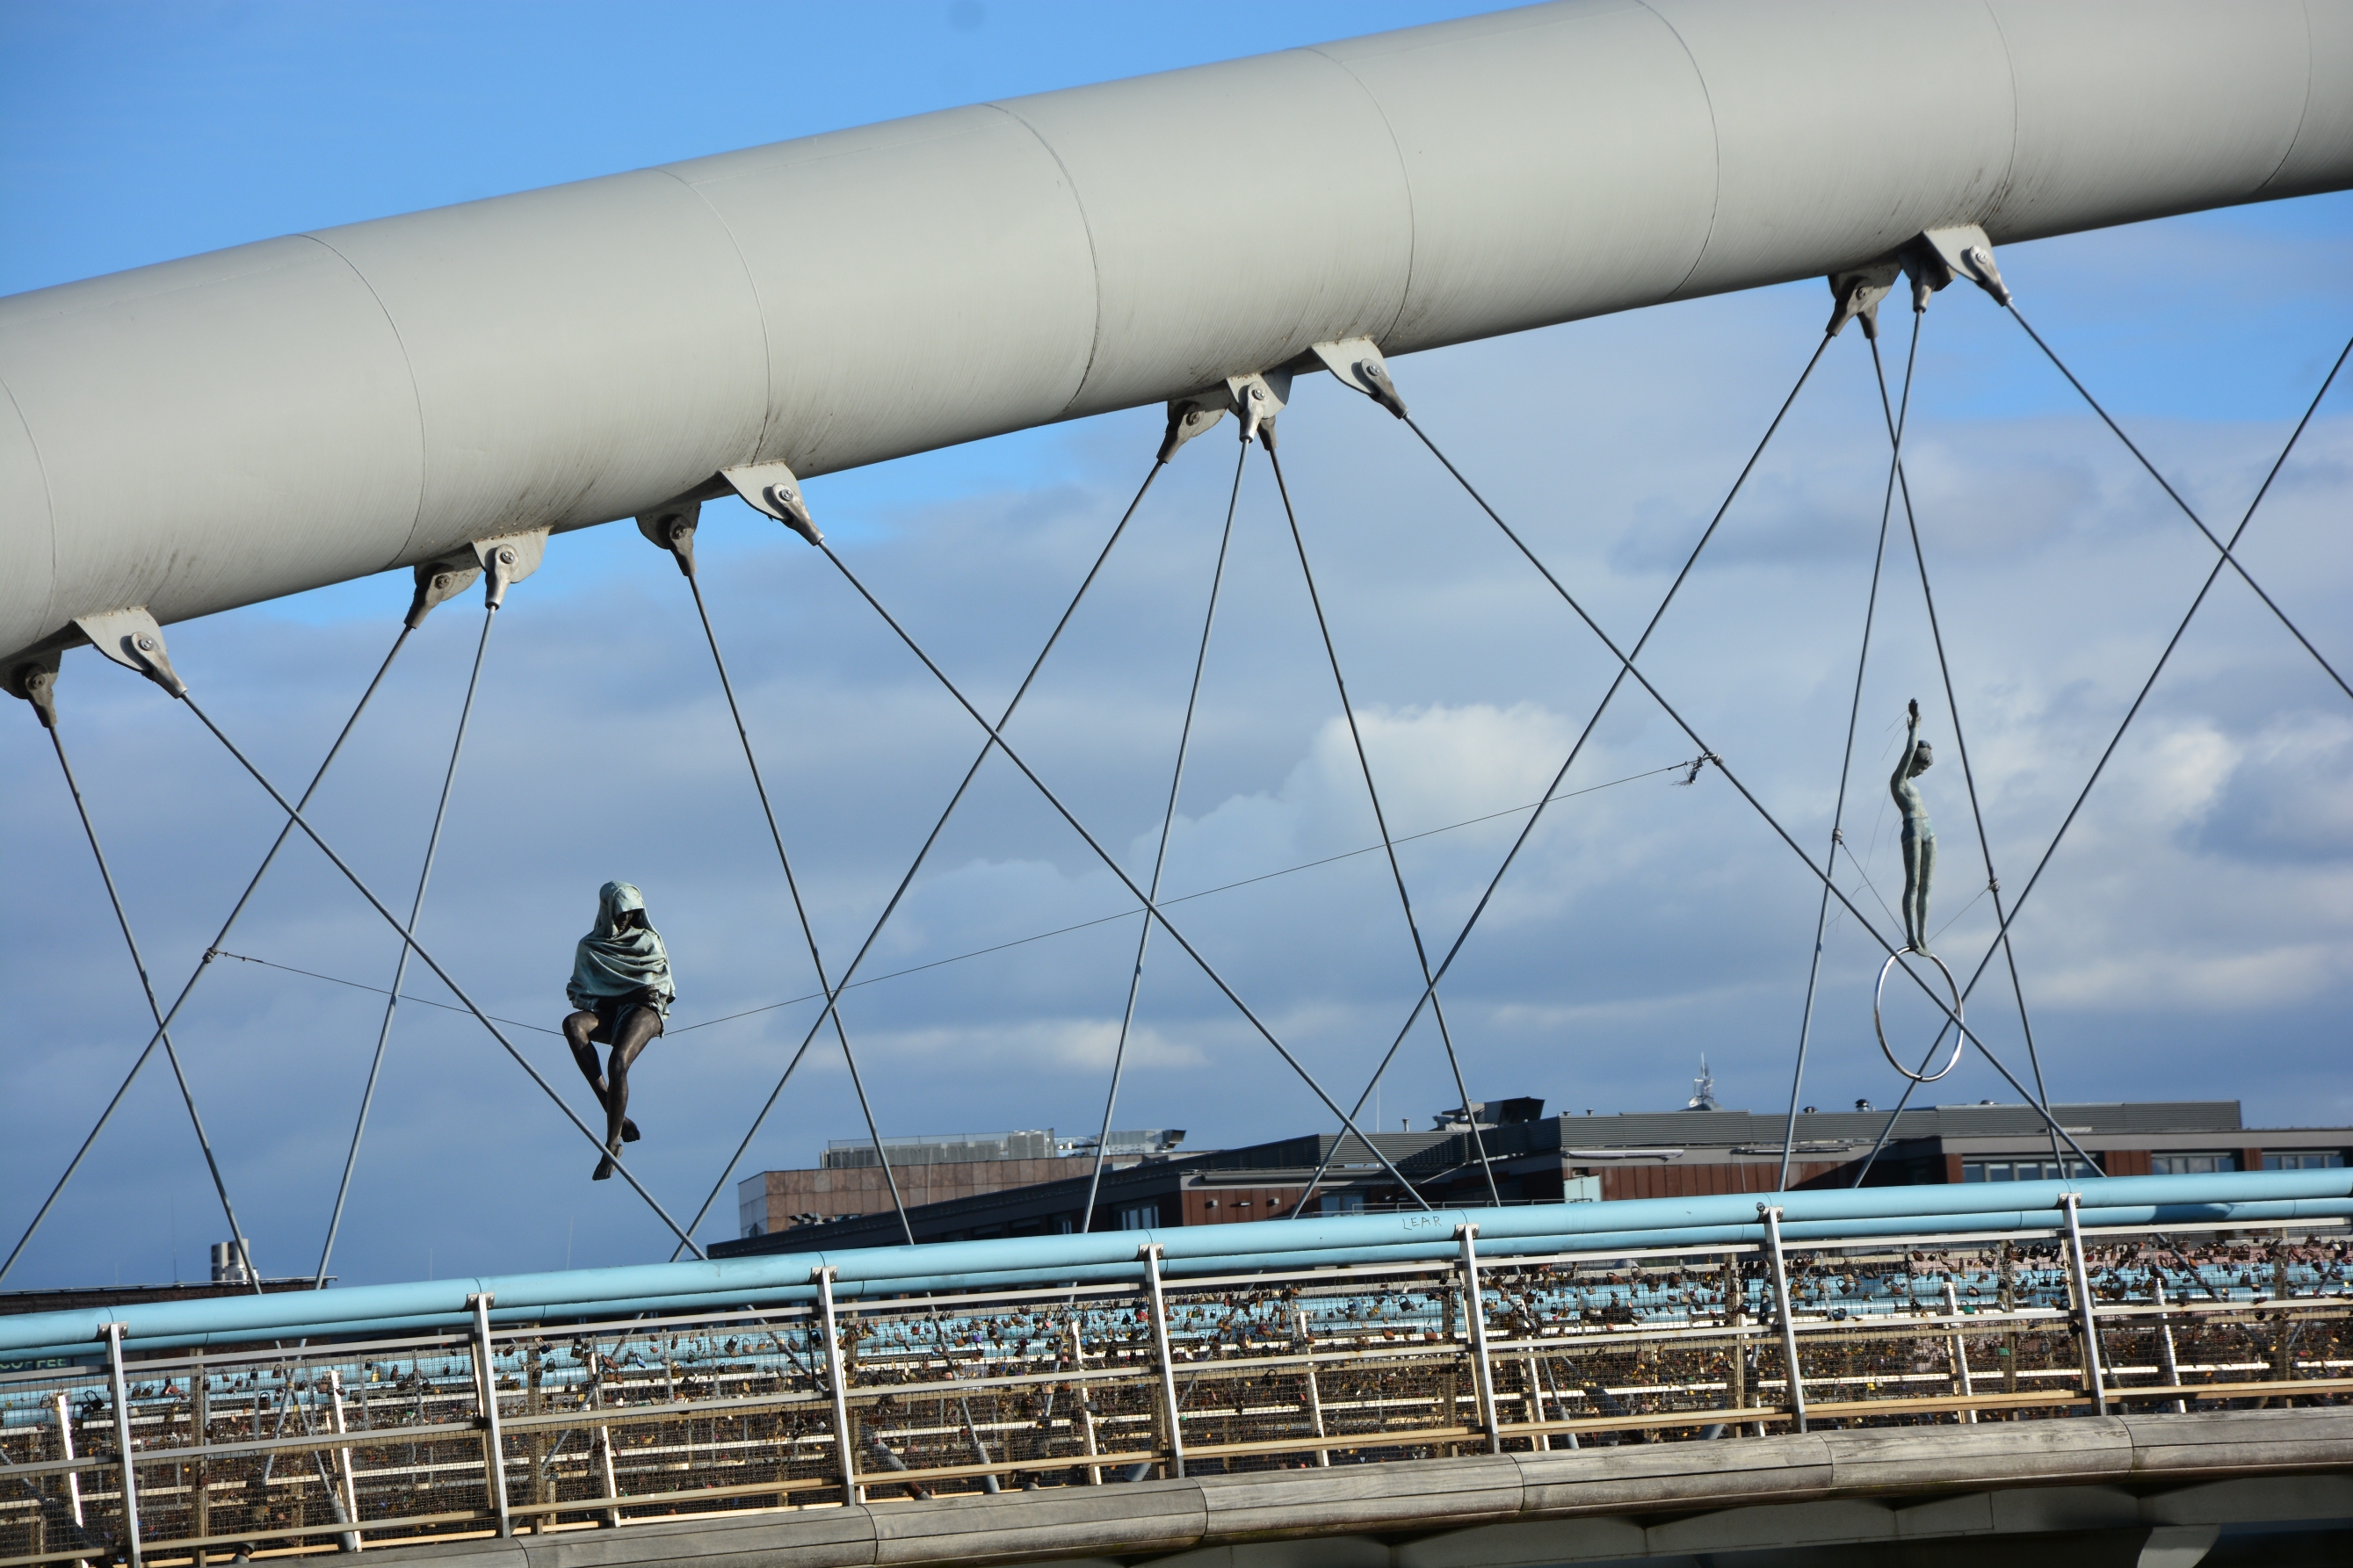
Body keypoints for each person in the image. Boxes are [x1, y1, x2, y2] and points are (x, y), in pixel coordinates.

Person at [564, 881, 675, 1180]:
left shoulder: (648, 941)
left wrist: (631, 995)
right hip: (611, 1013)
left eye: (631, 912)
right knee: (573, 1024)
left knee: (618, 1062)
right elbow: (580, 992)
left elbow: (657, 988)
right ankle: (611, 1107)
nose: (626, 918)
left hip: (645, 1011)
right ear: (607, 910)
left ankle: (612, 1144)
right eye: (620, 912)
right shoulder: (590, 947)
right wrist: (619, 996)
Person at [1890, 699, 1937, 954]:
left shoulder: (1914, 786)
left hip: (1928, 829)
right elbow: (1909, 753)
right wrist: (1915, 726)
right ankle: (1911, 935)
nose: (1921, 773)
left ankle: (1923, 935)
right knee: (1913, 884)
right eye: (1921, 768)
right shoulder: (1898, 781)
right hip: (1912, 830)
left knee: (1926, 887)